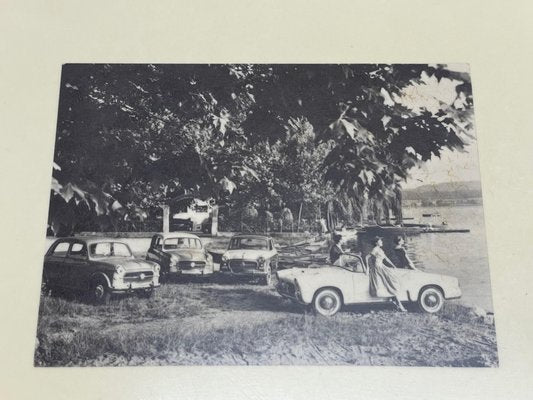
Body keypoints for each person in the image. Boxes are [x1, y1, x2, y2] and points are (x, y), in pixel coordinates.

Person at [367, 236, 407, 312]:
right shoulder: (375, 249)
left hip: (382, 267)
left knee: (393, 280)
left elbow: (386, 259)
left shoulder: (380, 249)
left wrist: (393, 266)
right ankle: (398, 304)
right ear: (376, 243)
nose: (382, 242)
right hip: (378, 268)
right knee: (390, 282)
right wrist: (368, 268)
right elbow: (368, 258)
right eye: (380, 241)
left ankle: (396, 301)